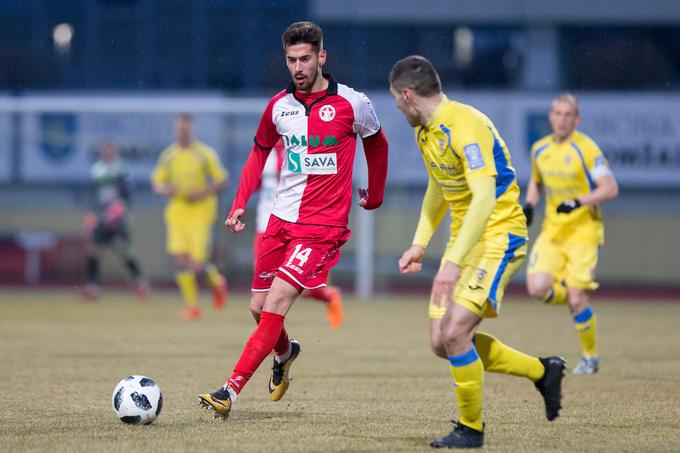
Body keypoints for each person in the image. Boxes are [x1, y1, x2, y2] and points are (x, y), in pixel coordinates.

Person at [198, 21, 388, 420]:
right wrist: (238, 204)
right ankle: (285, 353)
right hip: (279, 222)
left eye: (305, 59)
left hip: (322, 228)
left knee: (278, 301)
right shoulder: (278, 107)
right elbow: (258, 151)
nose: (298, 67)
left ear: (322, 57)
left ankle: (228, 391)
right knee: (258, 306)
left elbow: (377, 143)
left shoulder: (353, 103)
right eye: (291, 60)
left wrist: (376, 195)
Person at [391, 55, 565, 449]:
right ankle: (543, 371)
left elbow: (485, 199)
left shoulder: (464, 125)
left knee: (455, 332)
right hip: (465, 240)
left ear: (407, 95)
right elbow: (439, 186)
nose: (397, 108)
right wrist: (420, 243)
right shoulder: (427, 132)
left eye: (396, 101)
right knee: (442, 342)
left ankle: (471, 430)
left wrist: (450, 266)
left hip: (499, 235)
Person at [523, 93, 619, 375]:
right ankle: (579, 300)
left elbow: (610, 188)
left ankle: (590, 357)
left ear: (576, 120)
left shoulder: (586, 148)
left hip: (583, 231)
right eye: (557, 113)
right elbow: (537, 182)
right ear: (550, 117)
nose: (562, 119)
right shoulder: (540, 149)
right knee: (537, 288)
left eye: (568, 115)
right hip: (553, 231)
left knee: (576, 297)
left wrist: (578, 202)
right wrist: (529, 204)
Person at [254, 139, 344, 329]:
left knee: (302, 286)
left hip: (295, 226)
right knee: (262, 291)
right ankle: (273, 342)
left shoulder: (302, 149)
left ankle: (329, 295)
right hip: (265, 226)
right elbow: (252, 183)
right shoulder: (263, 153)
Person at [151, 113, 229, 320]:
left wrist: (203, 191)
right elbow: (157, 183)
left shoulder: (205, 154)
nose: (183, 132)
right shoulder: (168, 155)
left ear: (192, 130)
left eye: (186, 129)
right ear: (176, 130)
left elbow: (222, 181)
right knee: (180, 260)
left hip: (200, 213)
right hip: (177, 211)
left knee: (195, 264)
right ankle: (193, 308)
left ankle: (215, 281)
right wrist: (165, 189)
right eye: (180, 129)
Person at [82, 141, 149, 300]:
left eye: (109, 150)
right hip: (101, 216)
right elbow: (94, 196)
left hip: (117, 217)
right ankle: (93, 287)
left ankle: (140, 283)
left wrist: (118, 210)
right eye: (103, 150)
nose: (106, 153)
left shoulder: (121, 168)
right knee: (92, 248)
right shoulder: (96, 170)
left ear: (114, 152)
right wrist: (92, 214)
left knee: (123, 250)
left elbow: (127, 193)